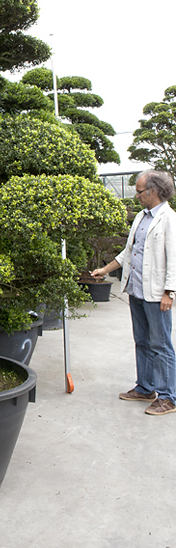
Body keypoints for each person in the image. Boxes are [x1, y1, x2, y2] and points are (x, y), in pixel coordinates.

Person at [92, 169, 176, 415]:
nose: (137, 196)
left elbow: (174, 260)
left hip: (156, 294)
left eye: (140, 191)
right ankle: (145, 388)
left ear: (153, 191)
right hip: (137, 291)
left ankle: (169, 397)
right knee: (141, 341)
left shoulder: (169, 219)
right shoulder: (141, 217)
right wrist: (104, 269)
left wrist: (169, 293)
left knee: (161, 345)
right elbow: (129, 252)